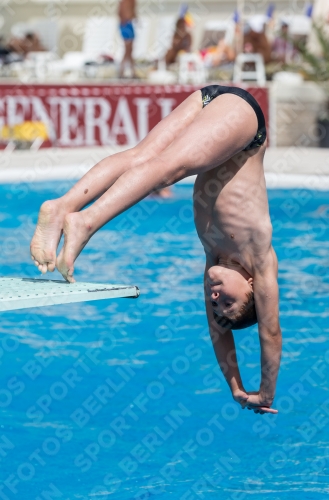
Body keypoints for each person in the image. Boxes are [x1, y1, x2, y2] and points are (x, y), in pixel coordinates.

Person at [30, 85, 282, 415]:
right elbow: (271, 332)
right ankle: (84, 222)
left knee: (141, 157)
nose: (215, 298)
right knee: (168, 168)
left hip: (213, 102)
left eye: (215, 304)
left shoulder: (213, 261)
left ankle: (60, 208)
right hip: (244, 121)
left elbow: (217, 332)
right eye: (228, 302)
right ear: (252, 286)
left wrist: (235, 386)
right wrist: (265, 391)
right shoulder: (259, 259)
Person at [118, 0, 136, 78]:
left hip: (128, 24)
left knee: (130, 50)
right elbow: (120, 13)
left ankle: (132, 71)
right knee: (128, 49)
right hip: (126, 24)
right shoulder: (125, 2)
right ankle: (122, 71)